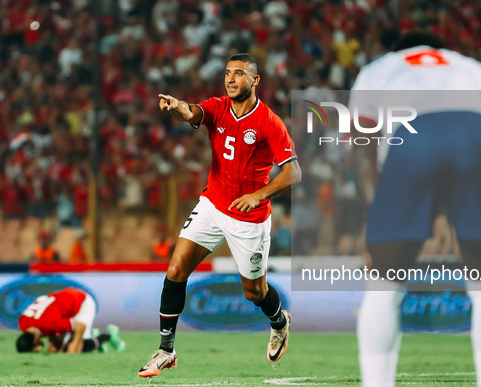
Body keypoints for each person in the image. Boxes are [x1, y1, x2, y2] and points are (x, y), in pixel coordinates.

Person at [350, 31, 481, 386]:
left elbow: (363, 152)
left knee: (383, 284)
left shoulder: (378, 70)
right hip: (480, 131)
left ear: (397, 52)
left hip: (415, 131)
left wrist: (375, 220)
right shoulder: (473, 67)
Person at [138, 53, 302, 378]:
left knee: (254, 292)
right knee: (176, 269)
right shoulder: (217, 107)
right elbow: (192, 112)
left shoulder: (269, 122)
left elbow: (293, 173)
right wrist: (178, 107)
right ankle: (166, 350)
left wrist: (258, 195)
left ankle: (279, 321)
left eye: (239, 74)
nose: (230, 79)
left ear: (255, 81)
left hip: (249, 218)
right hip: (213, 204)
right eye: (228, 73)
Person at [16, 287, 124, 353]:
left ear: (35, 340)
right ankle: (91, 335)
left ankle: (107, 335)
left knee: (75, 349)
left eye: (35, 349)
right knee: (54, 349)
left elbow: (79, 325)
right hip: (66, 301)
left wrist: (75, 343)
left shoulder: (50, 324)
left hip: (82, 303)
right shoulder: (23, 323)